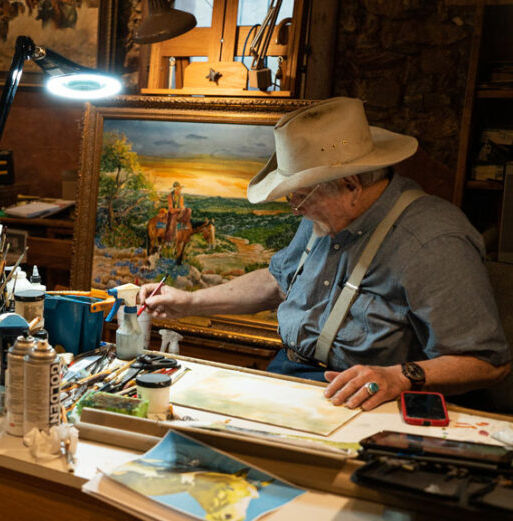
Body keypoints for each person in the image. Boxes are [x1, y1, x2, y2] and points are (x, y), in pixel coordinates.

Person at [138, 97, 511, 411]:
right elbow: (277, 280)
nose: (295, 208)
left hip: (367, 404)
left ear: (350, 184)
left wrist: (398, 377)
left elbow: (488, 364)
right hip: (288, 376)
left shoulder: (433, 243)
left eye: (300, 196)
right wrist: (188, 302)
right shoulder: (325, 214)